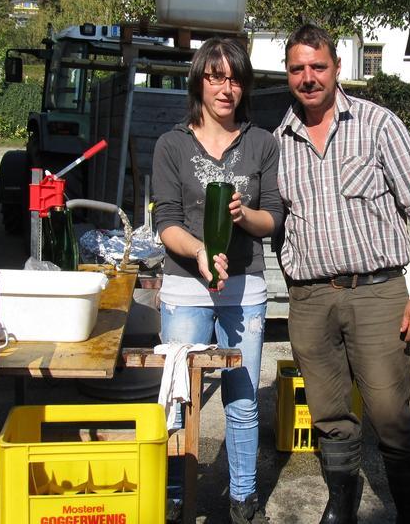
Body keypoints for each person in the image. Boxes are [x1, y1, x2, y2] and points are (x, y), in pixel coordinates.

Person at [273, 24, 410, 523]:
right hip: (309, 300)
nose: (308, 78)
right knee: (328, 415)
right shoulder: (276, 141)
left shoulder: (379, 125)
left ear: (337, 68)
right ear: (288, 74)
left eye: (317, 67)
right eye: (298, 69)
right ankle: (340, 504)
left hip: (376, 294)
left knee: (391, 415)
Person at [152, 37, 282, 524]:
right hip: (185, 291)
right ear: (199, 81)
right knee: (177, 399)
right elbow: (165, 222)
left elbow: (274, 218)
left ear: (244, 85)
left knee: (242, 397)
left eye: (234, 78)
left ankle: (243, 498)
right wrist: (202, 251)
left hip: (245, 289)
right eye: (215, 76)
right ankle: (171, 494)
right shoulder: (171, 144)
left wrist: (243, 214)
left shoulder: (262, 143)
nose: (225, 88)